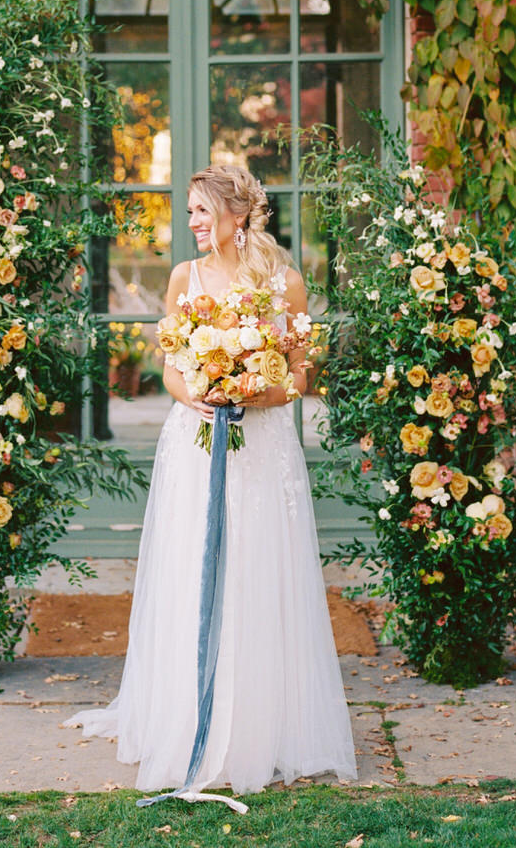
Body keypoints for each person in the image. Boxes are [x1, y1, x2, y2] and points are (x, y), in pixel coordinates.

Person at [65, 164, 356, 797]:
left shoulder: (286, 285)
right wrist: (199, 391)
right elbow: (169, 371)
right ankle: (186, 716)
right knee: (194, 567)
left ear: (236, 215)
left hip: (263, 444)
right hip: (196, 444)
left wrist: (261, 390)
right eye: (190, 211)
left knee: (257, 570)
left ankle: (261, 727)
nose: (191, 223)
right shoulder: (182, 279)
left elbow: (303, 374)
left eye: (201, 211)